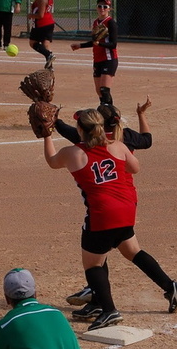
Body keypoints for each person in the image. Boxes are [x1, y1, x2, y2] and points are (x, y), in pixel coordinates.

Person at [43, 109, 177, 330]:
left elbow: (52, 162)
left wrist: (46, 135)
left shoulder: (73, 153)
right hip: (126, 208)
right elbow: (135, 168)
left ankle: (109, 310)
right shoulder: (118, 146)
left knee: (93, 264)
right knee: (131, 251)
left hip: (102, 213)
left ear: (80, 129)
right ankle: (170, 286)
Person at [56, 97, 154, 308]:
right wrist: (141, 114)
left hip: (105, 202)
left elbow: (64, 131)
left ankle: (99, 297)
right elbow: (147, 139)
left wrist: (53, 120)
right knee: (120, 248)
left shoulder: (89, 139)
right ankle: (97, 295)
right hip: (127, 199)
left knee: (97, 251)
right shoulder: (126, 138)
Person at [70, 0, 118, 106]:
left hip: (109, 59)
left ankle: (111, 115)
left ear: (109, 9)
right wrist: (80, 46)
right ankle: (104, 109)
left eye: (105, 7)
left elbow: (113, 44)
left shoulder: (111, 23)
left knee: (104, 90)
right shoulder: (96, 22)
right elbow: (94, 41)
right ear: (96, 7)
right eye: (100, 6)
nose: (102, 8)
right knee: (99, 91)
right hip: (97, 59)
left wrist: (99, 44)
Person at [27, 0, 56, 69]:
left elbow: (40, 15)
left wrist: (30, 15)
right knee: (45, 44)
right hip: (49, 23)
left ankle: (48, 55)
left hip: (41, 24)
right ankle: (50, 67)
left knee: (33, 42)